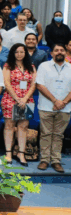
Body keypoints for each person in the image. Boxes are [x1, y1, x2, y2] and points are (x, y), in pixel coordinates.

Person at [35, 44, 71, 173]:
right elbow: (39, 85)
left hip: (65, 108)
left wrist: (64, 102)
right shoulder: (44, 66)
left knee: (58, 135)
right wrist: (55, 101)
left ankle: (56, 161)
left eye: (62, 50)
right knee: (46, 133)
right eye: (56, 50)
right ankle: (44, 160)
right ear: (51, 53)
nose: (59, 52)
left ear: (66, 53)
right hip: (46, 106)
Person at [1, 43, 36, 167]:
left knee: (23, 127)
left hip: (27, 100)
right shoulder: (7, 66)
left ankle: (21, 153)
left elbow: (33, 84)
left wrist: (24, 99)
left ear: (25, 53)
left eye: (22, 52)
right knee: (9, 126)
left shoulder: (31, 66)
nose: (19, 54)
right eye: (17, 52)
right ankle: (8, 153)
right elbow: (7, 83)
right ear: (13, 53)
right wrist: (17, 98)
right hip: (10, 99)